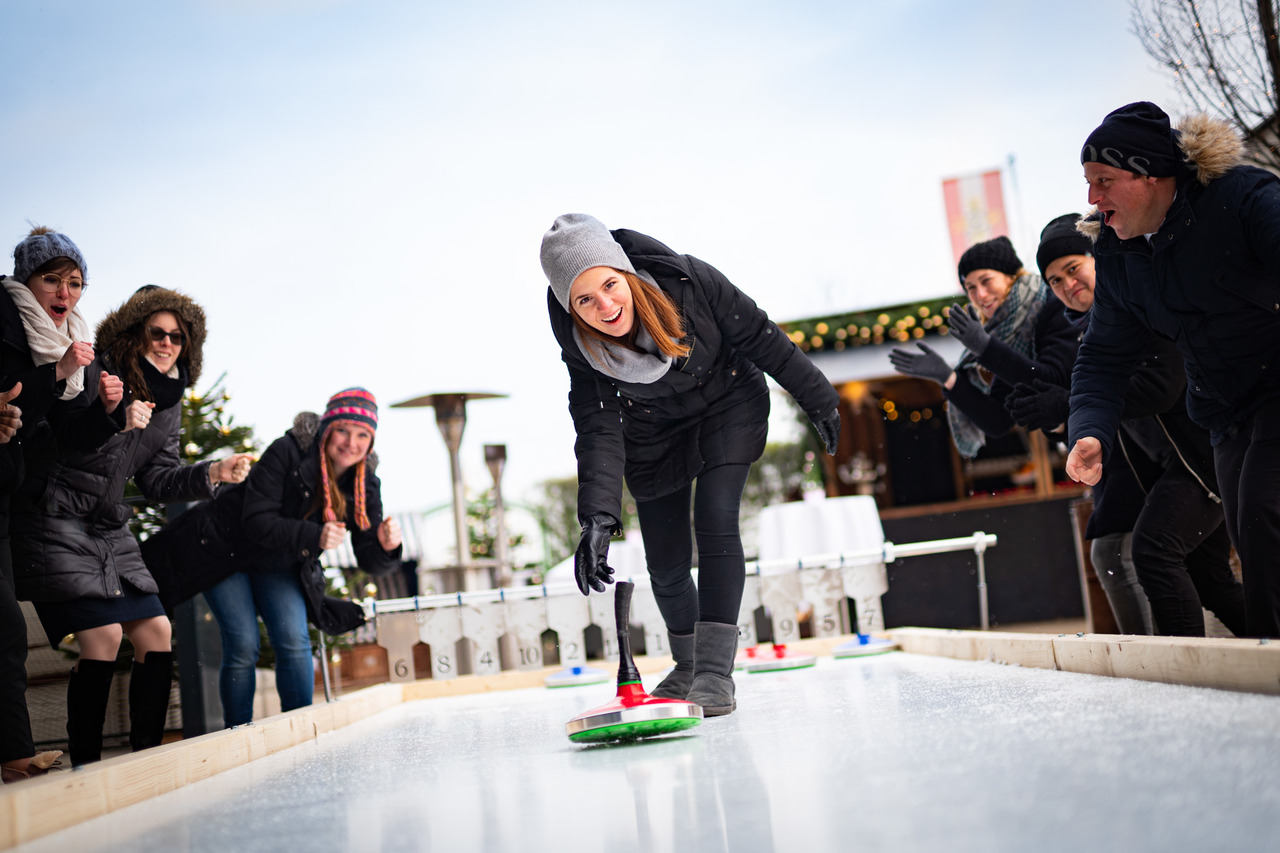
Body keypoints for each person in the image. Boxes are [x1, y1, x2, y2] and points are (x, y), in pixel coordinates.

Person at [539, 213, 840, 717]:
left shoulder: (688, 281)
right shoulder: (581, 348)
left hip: (727, 402)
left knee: (717, 522)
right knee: (666, 561)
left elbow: (759, 335)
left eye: (610, 286)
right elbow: (597, 428)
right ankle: (688, 664)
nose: (605, 306)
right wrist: (597, 519)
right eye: (584, 299)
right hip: (653, 432)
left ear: (625, 273)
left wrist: (819, 399)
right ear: (570, 307)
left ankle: (715, 674)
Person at [10, 285, 253, 766]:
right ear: (135, 332)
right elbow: (61, 439)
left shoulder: (170, 401)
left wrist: (212, 473)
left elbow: (159, 479)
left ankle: (146, 761)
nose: (166, 343)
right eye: (156, 333)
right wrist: (116, 418)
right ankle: (87, 764)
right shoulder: (100, 370)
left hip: (105, 526)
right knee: (104, 636)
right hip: (55, 514)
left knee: (157, 630)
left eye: (177, 337)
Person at [1067, 101, 1280, 638]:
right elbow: (1103, 356)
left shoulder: (1242, 200)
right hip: (1226, 413)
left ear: (1150, 174)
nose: (1093, 198)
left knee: (1261, 516)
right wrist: (1090, 430)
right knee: (1251, 546)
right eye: (1088, 183)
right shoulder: (1119, 256)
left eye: (1104, 180)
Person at [1008, 214, 1244, 637]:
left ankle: (1183, 675)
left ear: (1097, 258)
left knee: (1153, 551)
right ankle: (1268, 651)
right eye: (1055, 281)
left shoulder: (1142, 304)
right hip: (1174, 466)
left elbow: (1160, 388)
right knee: (1210, 581)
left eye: (1073, 269)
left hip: (1205, 455)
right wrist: (1057, 416)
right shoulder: (1088, 332)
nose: (1066, 285)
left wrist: (1064, 403)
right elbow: (1082, 406)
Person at [0, 227, 133, 780]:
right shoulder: (7, 321)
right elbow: (13, 392)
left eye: (75, 283)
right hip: (21, 498)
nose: (65, 293)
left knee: (5, 629)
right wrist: (56, 374)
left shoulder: (73, 340)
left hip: (9, 488)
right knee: (6, 624)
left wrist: (105, 410)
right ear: (27, 280)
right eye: (51, 279)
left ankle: (13, 755)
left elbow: (63, 433)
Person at [191, 388, 402, 728]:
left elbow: (369, 556)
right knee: (243, 644)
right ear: (328, 429)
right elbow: (256, 520)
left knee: (293, 640)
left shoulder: (364, 482)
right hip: (225, 552)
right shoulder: (287, 451)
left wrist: (387, 546)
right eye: (344, 431)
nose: (351, 442)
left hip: (279, 564)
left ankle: (299, 732)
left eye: (363, 434)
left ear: (371, 440)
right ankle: (235, 736)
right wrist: (313, 536)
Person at [889, 236, 1079, 460]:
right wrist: (949, 378)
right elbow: (998, 420)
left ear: (1010, 276)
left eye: (986, 280)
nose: (980, 295)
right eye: (970, 287)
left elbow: (1052, 379)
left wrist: (986, 348)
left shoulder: (1052, 302)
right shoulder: (1007, 334)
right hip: (1084, 448)